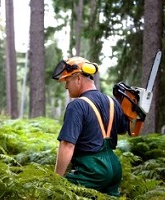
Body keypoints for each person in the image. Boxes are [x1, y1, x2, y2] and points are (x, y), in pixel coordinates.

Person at [51, 56, 128, 197]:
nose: (66, 86)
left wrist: (56, 179)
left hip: (92, 170)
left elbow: (67, 145)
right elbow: (122, 130)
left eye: (67, 81)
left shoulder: (77, 105)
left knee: (60, 193)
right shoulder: (112, 102)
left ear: (78, 78)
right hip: (114, 167)